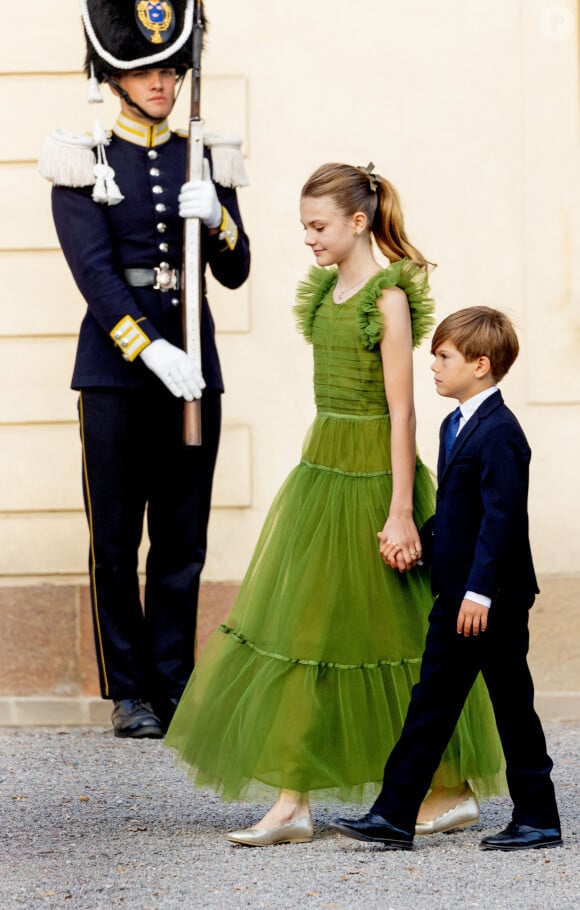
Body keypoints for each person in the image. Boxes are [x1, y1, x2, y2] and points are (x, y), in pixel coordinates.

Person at [166, 162, 506, 845]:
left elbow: (404, 413)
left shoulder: (389, 300)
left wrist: (403, 509)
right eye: (303, 227)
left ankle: (448, 789)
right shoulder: (324, 294)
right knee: (308, 634)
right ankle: (295, 800)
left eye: (318, 227)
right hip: (322, 473)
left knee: (402, 640)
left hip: (378, 482)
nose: (308, 240)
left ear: (358, 222)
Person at [39, 0, 250, 738]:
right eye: (142, 68)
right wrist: (148, 347)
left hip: (195, 368)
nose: (161, 81)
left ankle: (174, 680)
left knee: (183, 539)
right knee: (118, 537)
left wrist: (220, 219)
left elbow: (236, 271)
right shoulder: (84, 159)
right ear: (114, 76)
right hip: (119, 374)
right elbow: (95, 276)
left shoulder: (204, 158)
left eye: (170, 67)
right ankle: (128, 689)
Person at [331, 306, 562, 852]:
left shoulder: (501, 433)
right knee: (432, 702)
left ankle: (538, 819)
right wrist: (421, 546)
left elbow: (502, 521)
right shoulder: (454, 423)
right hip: (456, 593)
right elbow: (460, 512)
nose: (432, 365)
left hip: (490, 600)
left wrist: (480, 592)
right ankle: (394, 814)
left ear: (481, 365)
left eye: (444, 356)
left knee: (510, 704)